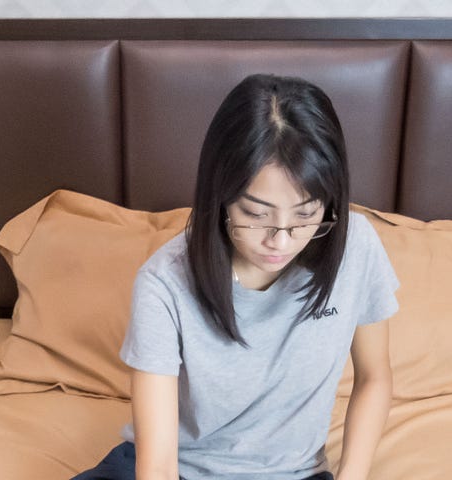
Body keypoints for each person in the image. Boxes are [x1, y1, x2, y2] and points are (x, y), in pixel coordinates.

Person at [71, 74, 400, 480]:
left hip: (292, 473)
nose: (280, 240)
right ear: (220, 194)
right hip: (175, 467)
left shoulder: (357, 248)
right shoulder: (163, 283)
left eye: (305, 214)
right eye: (256, 214)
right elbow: (156, 466)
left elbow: (374, 378)